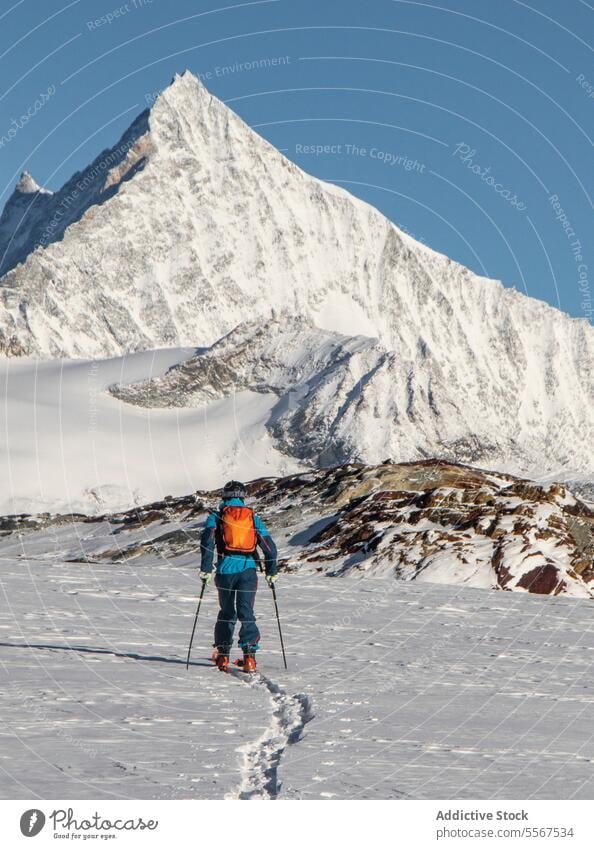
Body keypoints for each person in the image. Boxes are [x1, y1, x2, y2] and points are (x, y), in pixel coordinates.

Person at [199, 480, 278, 672]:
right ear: (242, 497)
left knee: (227, 613)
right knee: (246, 611)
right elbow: (270, 548)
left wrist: (206, 569)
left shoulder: (217, 517)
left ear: (224, 497)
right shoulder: (252, 518)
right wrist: (271, 572)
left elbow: (207, 542)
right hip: (248, 571)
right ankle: (249, 658)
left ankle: (223, 656)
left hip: (225, 571)